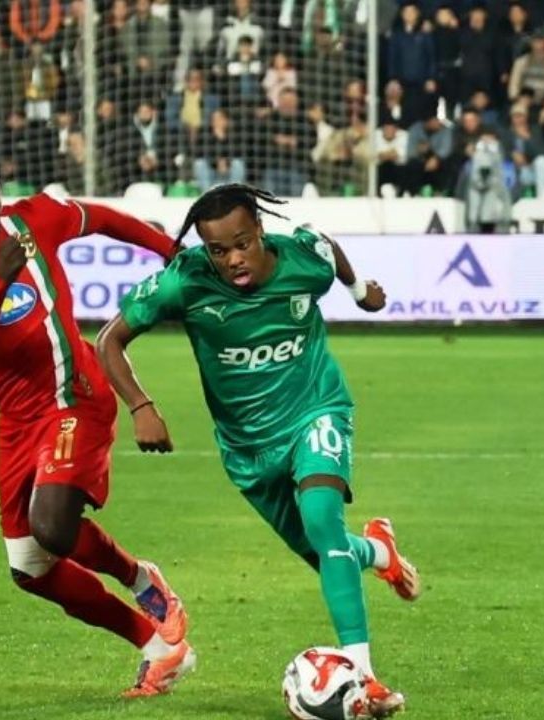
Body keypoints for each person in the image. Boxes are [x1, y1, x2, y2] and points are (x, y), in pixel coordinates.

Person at [95, 184, 420, 719]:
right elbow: (109, 340)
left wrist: (361, 291)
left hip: (317, 409)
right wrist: (141, 406)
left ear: (260, 232)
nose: (233, 260)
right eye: (218, 250)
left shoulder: (302, 261)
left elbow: (326, 245)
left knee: (322, 521)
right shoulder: (184, 281)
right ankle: (379, 551)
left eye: (242, 244)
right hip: (247, 448)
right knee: (325, 551)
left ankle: (363, 678)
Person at [0, 152, 194, 698]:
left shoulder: (32, 219)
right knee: (29, 568)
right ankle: (159, 649)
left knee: (54, 529)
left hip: (74, 396)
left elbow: (103, 218)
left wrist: (170, 251)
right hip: (16, 417)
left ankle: (142, 579)